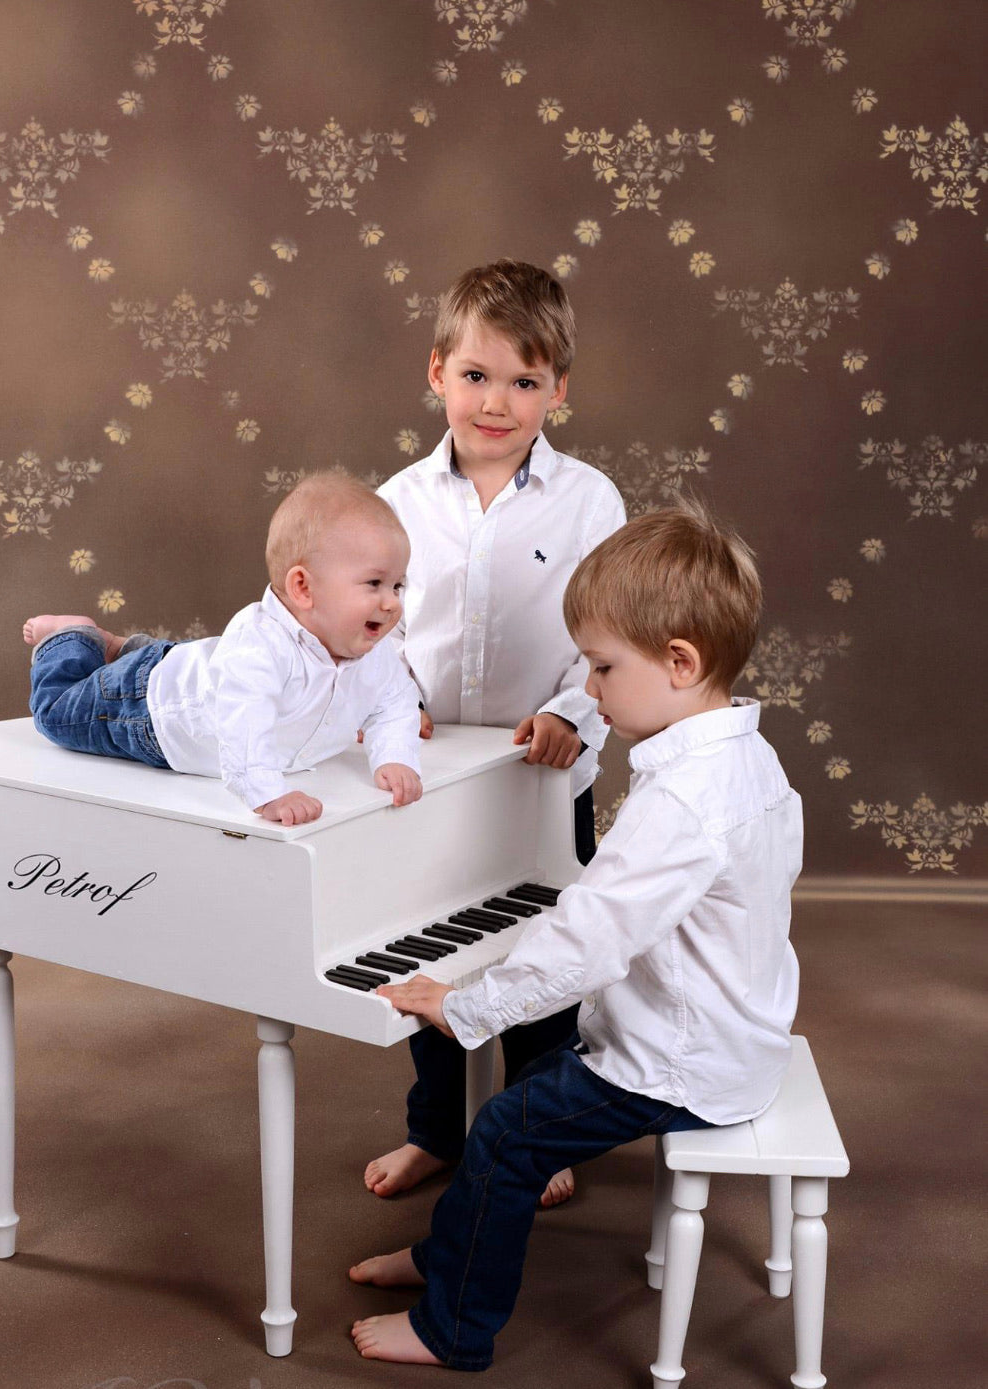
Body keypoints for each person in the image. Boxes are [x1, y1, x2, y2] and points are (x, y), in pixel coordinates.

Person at [348, 502, 803, 1370]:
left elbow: (589, 940)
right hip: (726, 1026)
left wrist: (465, 1004)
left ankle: (455, 1326)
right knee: (529, 1100)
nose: (588, 690)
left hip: (684, 1058)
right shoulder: (744, 755)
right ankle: (450, 1251)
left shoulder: (679, 800)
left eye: (600, 666)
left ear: (679, 662)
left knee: (507, 1132)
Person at [368, 258, 626, 1207]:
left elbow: (609, 638)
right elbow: (373, 632)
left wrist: (569, 711)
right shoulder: (396, 501)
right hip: (431, 775)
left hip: (539, 773)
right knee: (423, 954)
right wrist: (394, 704)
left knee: (542, 963)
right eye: (476, 376)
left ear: (557, 389)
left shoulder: (589, 501)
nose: (497, 401)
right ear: (435, 371)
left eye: (524, 381)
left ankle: (535, 1130)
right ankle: (438, 1129)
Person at [23, 472, 423, 825]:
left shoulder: (376, 653)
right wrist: (267, 794)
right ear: (304, 588)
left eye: (397, 586)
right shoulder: (261, 644)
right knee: (57, 715)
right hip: (150, 712)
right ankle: (73, 637)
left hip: (190, 666)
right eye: (374, 584)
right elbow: (244, 725)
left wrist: (394, 756)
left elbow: (395, 703)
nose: (391, 603)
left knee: (180, 663)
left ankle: (122, 648)